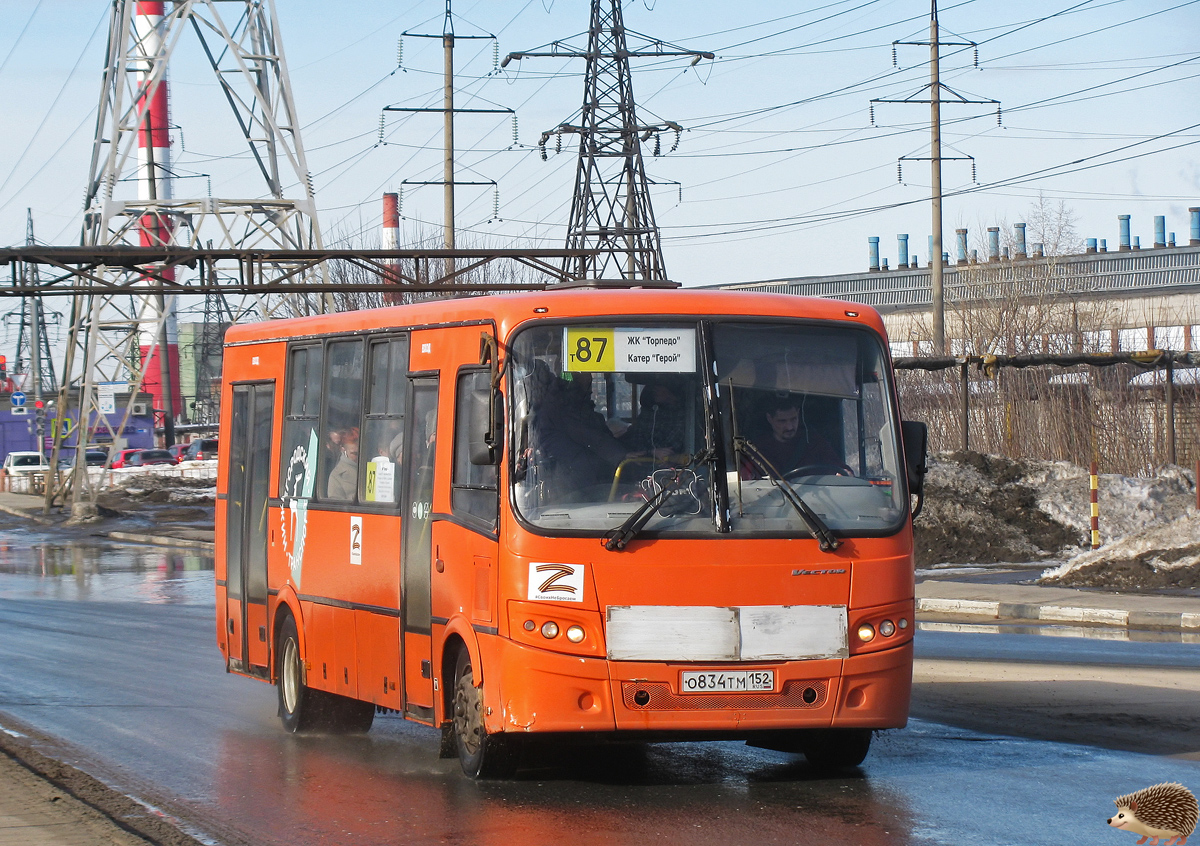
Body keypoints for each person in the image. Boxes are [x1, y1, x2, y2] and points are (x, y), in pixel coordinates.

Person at [746, 395, 842, 477]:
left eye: (793, 419)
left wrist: (844, 472)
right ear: (770, 419)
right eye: (782, 421)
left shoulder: (812, 442)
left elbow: (838, 466)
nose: (789, 427)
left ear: (798, 414)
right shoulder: (757, 450)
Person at [619, 380, 689, 459]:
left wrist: (657, 453)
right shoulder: (650, 412)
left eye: (659, 385)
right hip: (640, 462)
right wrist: (650, 452)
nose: (654, 389)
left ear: (671, 390)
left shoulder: (684, 414)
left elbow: (671, 447)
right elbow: (635, 438)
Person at [325, 428, 359, 500]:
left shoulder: (370, 467)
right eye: (354, 453)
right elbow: (336, 506)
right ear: (343, 449)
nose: (358, 457)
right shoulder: (337, 475)